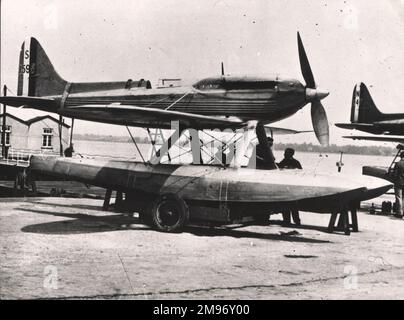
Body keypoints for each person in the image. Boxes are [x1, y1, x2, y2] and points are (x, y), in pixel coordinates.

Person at [277, 148, 302, 225]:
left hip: (292, 187)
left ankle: (296, 221)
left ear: (291, 154)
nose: (284, 154)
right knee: (285, 204)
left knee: (293, 206)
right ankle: (287, 221)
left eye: (286, 153)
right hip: (285, 186)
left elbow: (300, 173)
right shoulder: (284, 161)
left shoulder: (296, 162)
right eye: (284, 152)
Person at [393, 152, 404, 218]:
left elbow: (395, 174)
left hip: (399, 182)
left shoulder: (397, 164)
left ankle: (399, 213)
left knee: (398, 197)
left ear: (400, 156)